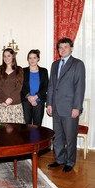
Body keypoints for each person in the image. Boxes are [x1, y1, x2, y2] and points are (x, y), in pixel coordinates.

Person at [47, 37, 85, 172]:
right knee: (57, 136)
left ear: (71, 49)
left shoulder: (77, 64)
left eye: (65, 47)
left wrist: (77, 107)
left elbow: (80, 87)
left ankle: (70, 161)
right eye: (60, 48)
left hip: (70, 108)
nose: (62, 50)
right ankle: (60, 159)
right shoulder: (54, 65)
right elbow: (51, 86)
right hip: (55, 107)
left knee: (70, 137)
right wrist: (49, 103)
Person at [0, 48, 24, 124]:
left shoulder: (19, 70)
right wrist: (5, 99)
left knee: (16, 131)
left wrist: (10, 99)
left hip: (15, 105)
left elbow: (19, 86)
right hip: (1, 104)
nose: (6, 58)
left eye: (9, 56)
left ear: (13, 57)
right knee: (1, 131)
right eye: (4, 56)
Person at [21, 49, 48, 126]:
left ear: (38, 59)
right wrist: (29, 97)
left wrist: (36, 97)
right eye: (30, 58)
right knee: (26, 126)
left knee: (37, 126)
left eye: (34, 58)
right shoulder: (23, 71)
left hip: (39, 101)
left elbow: (45, 86)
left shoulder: (43, 71)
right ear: (27, 59)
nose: (32, 60)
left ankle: (37, 138)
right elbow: (21, 86)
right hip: (26, 101)